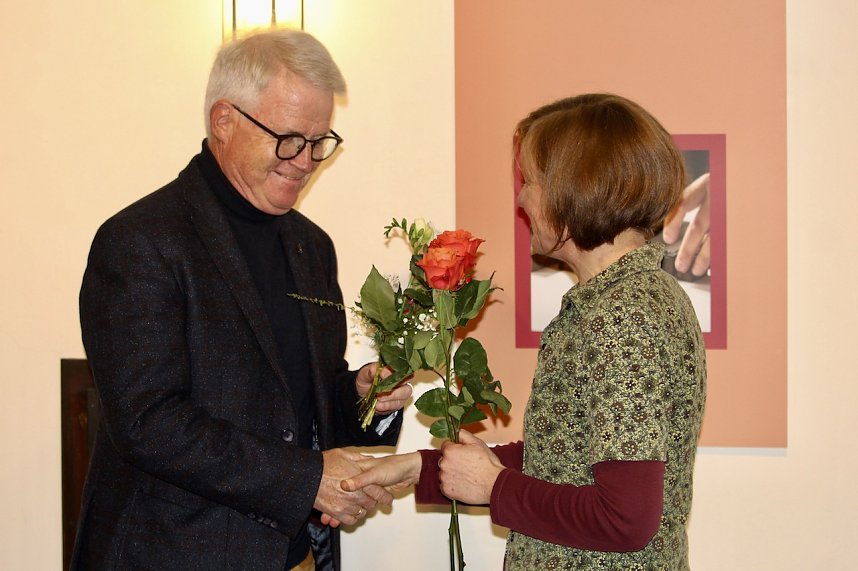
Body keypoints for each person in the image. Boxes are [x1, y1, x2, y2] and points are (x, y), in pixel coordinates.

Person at [73, 29, 412, 571]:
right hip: (171, 553)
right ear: (224, 121)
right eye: (290, 138)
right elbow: (148, 422)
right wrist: (307, 480)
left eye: (321, 141)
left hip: (293, 556)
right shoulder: (140, 240)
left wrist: (362, 397)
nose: (305, 161)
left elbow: (299, 407)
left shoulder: (312, 246)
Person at [344, 93, 707, 570]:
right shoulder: (626, 299)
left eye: (530, 181)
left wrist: (494, 487)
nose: (521, 199)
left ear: (576, 188)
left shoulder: (624, 316)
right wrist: (420, 467)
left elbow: (625, 519)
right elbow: (564, 460)